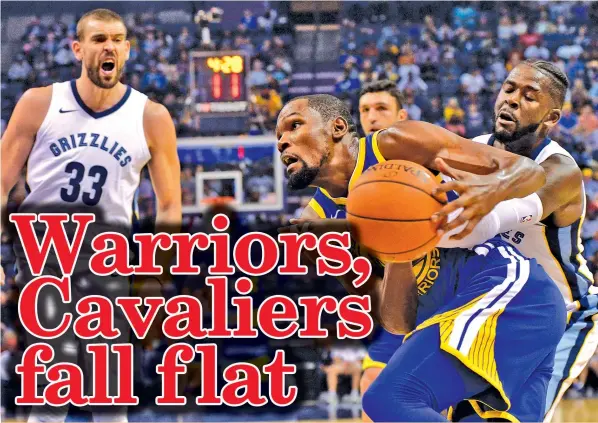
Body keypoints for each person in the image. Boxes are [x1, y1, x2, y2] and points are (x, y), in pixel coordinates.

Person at [277, 94, 565, 421]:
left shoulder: (395, 144)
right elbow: (397, 321)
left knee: (388, 398)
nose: (283, 141)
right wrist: (399, 251)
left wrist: (493, 190)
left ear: (338, 127)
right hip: (456, 315)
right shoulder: (319, 229)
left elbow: (527, 171)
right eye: (278, 137)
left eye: (294, 125)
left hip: (507, 295)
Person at [0, 9, 182, 422]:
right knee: (49, 393)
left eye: (118, 39)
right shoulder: (39, 103)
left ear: (128, 50)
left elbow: (170, 204)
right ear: (77, 48)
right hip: (46, 257)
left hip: (109, 260)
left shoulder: (151, 117)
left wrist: (158, 272)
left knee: (110, 397)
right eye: (99, 39)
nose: (110, 47)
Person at [435, 60, 598, 423]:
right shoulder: (469, 151)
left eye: (528, 96)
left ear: (551, 117)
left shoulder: (561, 171)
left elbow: (501, 216)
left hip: (564, 313)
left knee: (513, 416)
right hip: (496, 311)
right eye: (509, 89)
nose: (511, 100)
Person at [355, 80, 409, 417]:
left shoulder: (428, 161)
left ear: (401, 117)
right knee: (371, 387)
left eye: (381, 109)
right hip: (392, 308)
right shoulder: (351, 171)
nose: (372, 117)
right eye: (365, 110)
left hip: (443, 299)